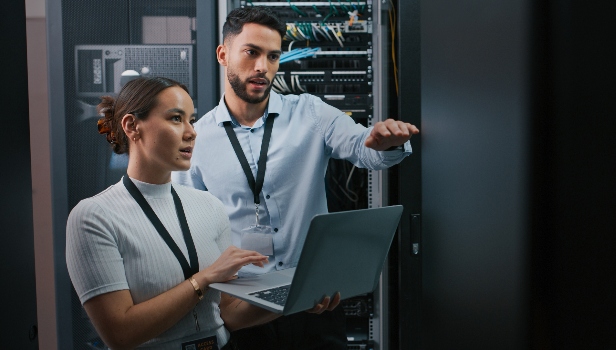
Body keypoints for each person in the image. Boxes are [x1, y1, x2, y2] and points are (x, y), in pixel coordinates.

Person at [171, 6, 420, 350]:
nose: (263, 67)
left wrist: (388, 143)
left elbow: (366, 151)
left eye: (273, 56)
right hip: (244, 308)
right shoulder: (196, 140)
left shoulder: (311, 113)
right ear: (223, 54)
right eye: (252, 52)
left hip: (315, 300)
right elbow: (190, 234)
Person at [66, 76, 324, 350]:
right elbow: (120, 335)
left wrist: (296, 298)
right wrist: (205, 278)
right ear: (132, 126)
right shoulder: (94, 217)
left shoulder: (209, 206)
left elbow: (228, 315)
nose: (191, 131)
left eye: (191, 119)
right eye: (176, 118)